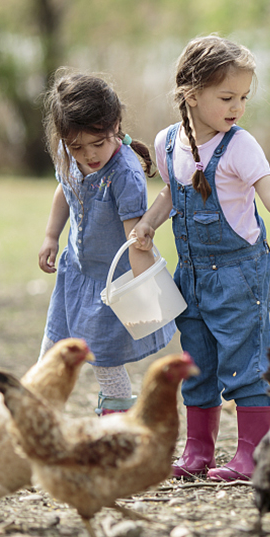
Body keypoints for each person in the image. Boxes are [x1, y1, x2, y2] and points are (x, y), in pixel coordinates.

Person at [130, 35, 270, 482]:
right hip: (189, 275)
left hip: (240, 276)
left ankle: (253, 453)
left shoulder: (241, 146)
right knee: (198, 362)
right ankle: (198, 451)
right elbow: (171, 194)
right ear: (191, 95)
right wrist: (149, 223)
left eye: (244, 98)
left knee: (246, 363)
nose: (238, 108)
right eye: (227, 97)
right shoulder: (167, 143)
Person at [37, 70, 177, 416]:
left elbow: (136, 238)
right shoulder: (69, 155)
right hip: (76, 274)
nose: (88, 154)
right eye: (77, 146)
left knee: (105, 360)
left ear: (115, 125)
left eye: (98, 144)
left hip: (109, 285)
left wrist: (148, 292)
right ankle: (37, 412)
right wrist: (51, 236)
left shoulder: (124, 174)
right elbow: (64, 190)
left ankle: (117, 421)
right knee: (53, 348)